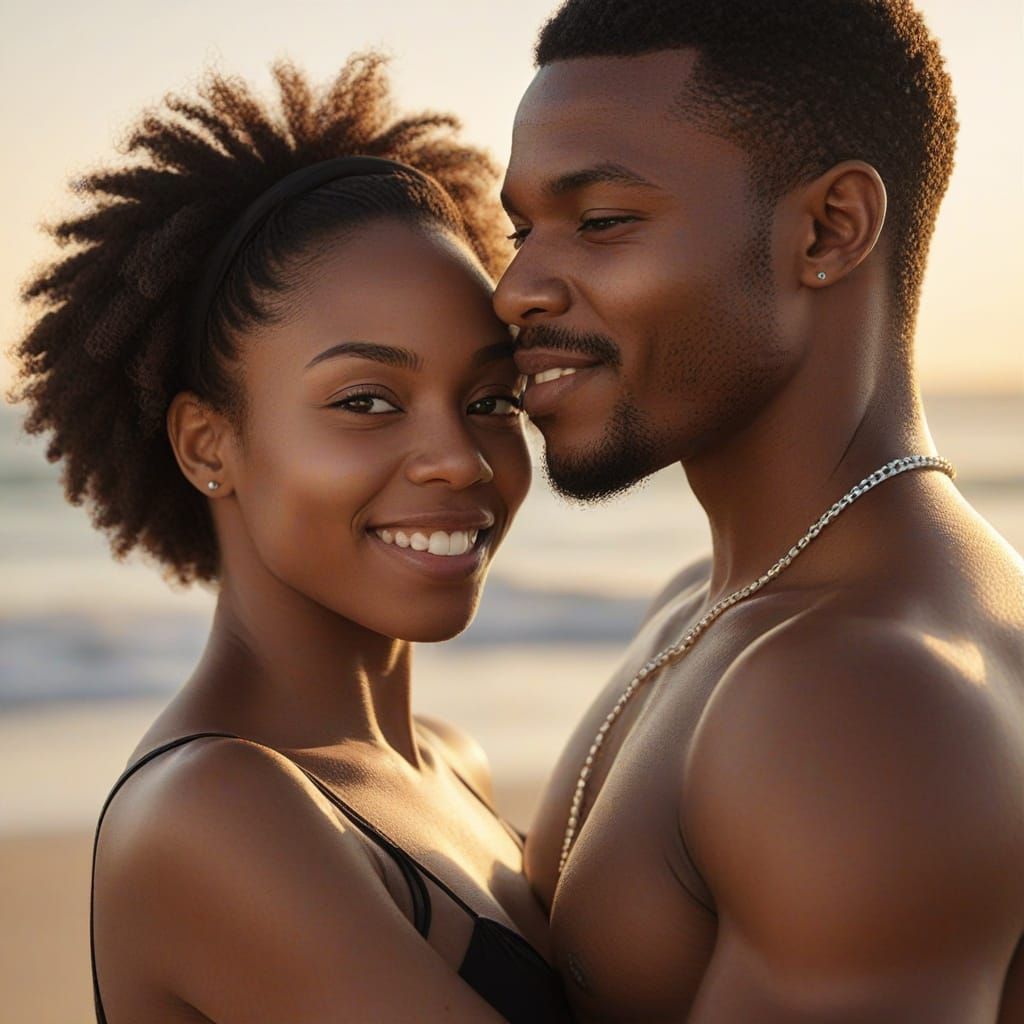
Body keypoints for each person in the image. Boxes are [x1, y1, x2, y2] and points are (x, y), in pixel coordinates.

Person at [12, 54, 571, 1023]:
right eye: (366, 400)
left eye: (490, 399)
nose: (459, 459)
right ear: (208, 443)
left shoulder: (449, 765)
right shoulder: (211, 811)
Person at [494, 1, 1024, 1021]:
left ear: (827, 230)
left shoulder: (858, 697)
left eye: (599, 221)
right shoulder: (715, 601)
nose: (515, 287)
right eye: (522, 229)